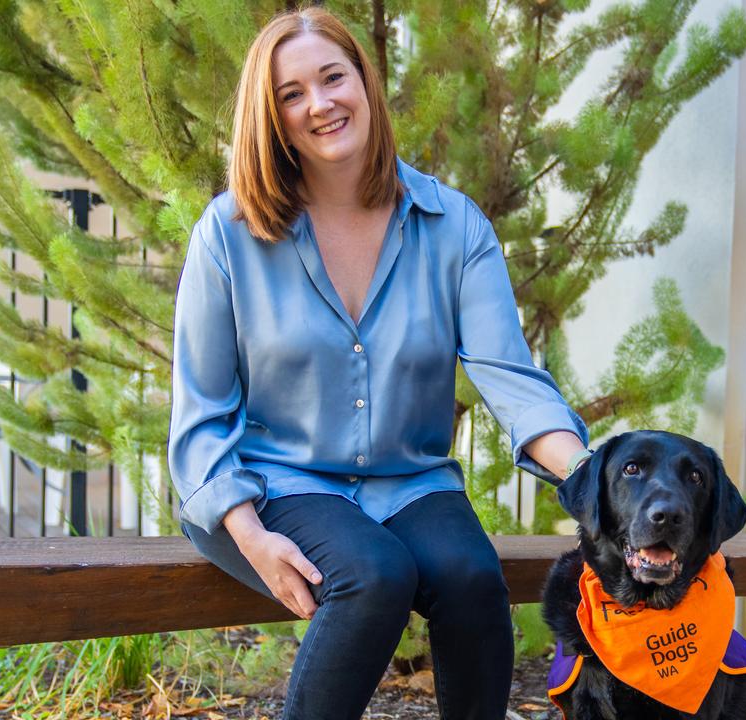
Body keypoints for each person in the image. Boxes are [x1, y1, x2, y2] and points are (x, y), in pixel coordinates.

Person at [168, 7, 591, 720]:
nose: (320, 104)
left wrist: (586, 475)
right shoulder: (229, 232)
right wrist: (251, 535)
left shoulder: (454, 226)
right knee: (372, 573)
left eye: (334, 78)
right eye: (291, 93)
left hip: (410, 480)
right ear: (270, 116)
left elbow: (510, 378)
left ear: (365, 82)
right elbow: (202, 411)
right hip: (280, 477)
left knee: (470, 576)